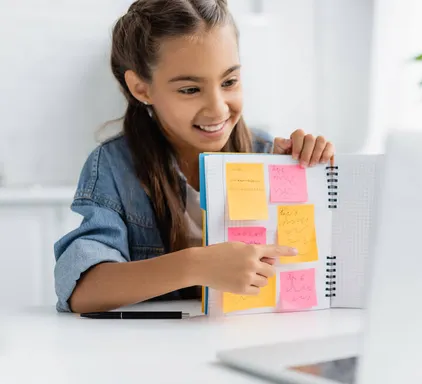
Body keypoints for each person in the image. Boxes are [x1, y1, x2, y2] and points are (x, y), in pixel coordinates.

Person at [53, 0, 335, 314]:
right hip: (150, 351)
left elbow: (318, 270)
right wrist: (197, 264)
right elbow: (80, 289)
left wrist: (309, 175)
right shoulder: (114, 167)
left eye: (229, 82)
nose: (218, 109)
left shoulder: (267, 153)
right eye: (190, 89)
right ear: (141, 88)